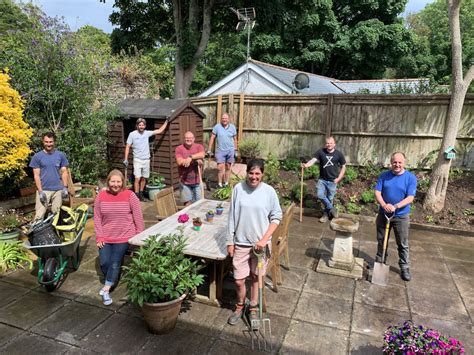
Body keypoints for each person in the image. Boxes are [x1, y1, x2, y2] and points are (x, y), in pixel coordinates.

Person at [226, 159, 282, 327]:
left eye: (257, 174)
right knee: (239, 280)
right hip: (241, 242)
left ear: (262, 174)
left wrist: (264, 239)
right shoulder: (238, 189)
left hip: (260, 246)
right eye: (251, 173)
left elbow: (276, 217)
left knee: (256, 277)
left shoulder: (269, 192)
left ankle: (253, 308)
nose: (254, 177)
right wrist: (230, 241)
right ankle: (240, 306)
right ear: (247, 172)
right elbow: (231, 218)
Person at [94, 169, 144, 305]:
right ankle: (112, 278)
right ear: (108, 181)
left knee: (115, 262)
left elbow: (138, 217)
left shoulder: (130, 195)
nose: (115, 184)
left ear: (122, 182)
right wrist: (99, 237)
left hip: (124, 236)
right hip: (106, 236)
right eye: (112, 181)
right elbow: (97, 218)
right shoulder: (101, 196)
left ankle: (106, 288)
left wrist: (139, 236)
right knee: (104, 263)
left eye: (118, 181)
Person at [374, 152, 417, 281]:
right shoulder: (384, 176)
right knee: (382, 240)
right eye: (394, 162)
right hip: (384, 214)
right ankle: (380, 262)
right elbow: (377, 192)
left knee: (402, 243)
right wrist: (384, 204)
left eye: (400, 162)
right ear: (391, 162)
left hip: (401, 216)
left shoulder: (410, 178)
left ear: (404, 163)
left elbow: (410, 197)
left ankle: (404, 267)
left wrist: (396, 206)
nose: (397, 165)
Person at [301, 136, 346, 222]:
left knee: (329, 198)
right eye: (327, 143)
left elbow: (343, 167)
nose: (329, 145)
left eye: (331, 143)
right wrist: (306, 165)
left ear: (334, 144)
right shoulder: (321, 152)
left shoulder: (339, 154)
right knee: (320, 195)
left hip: (333, 180)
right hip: (322, 179)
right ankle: (332, 209)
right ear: (326, 144)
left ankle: (325, 215)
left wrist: (339, 178)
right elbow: (313, 160)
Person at [123, 117, 168, 201]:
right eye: (140, 125)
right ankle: (136, 196)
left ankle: (141, 194)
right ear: (137, 126)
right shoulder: (132, 134)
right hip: (137, 159)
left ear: (145, 126)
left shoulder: (147, 133)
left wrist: (166, 122)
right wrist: (126, 159)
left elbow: (159, 131)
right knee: (137, 178)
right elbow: (128, 146)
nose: (141, 126)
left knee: (144, 178)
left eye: (143, 125)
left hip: (146, 159)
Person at [29, 132, 69, 221]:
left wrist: (65, 187)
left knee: (56, 214)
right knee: (39, 215)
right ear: (43, 142)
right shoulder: (37, 157)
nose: (48, 144)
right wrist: (40, 192)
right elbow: (36, 175)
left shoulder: (60, 155)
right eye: (46, 142)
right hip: (44, 190)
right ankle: (37, 234)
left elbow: (64, 172)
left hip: (58, 190)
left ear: (54, 142)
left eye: (50, 142)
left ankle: (55, 233)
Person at [207, 112, 238, 188]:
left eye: (226, 118)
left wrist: (236, 149)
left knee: (228, 167)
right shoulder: (217, 127)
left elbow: (235, 139)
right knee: (220, 168)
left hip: (230, 150)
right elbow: (212, 138)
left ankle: (226, 183)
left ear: (228, 119)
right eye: (223, 118)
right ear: (221, 119)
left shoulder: (232, 127)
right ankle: (220, 183)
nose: (224, 120)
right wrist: (209, 149)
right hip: (220, 150)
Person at [175, 131, 206, 206]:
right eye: (187, 138)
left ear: (194, 139)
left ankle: (197, 217)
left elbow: (202, 154)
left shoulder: (199, 146)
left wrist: (190, 157)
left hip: (197, 181)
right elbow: (179, 162)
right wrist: (195, 160)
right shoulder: (179, 148)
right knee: (187, 203)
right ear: (184, 139)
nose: (189, 139)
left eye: (191, 138)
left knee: (199, 203)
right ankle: (186, 217)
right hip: (184, 181)